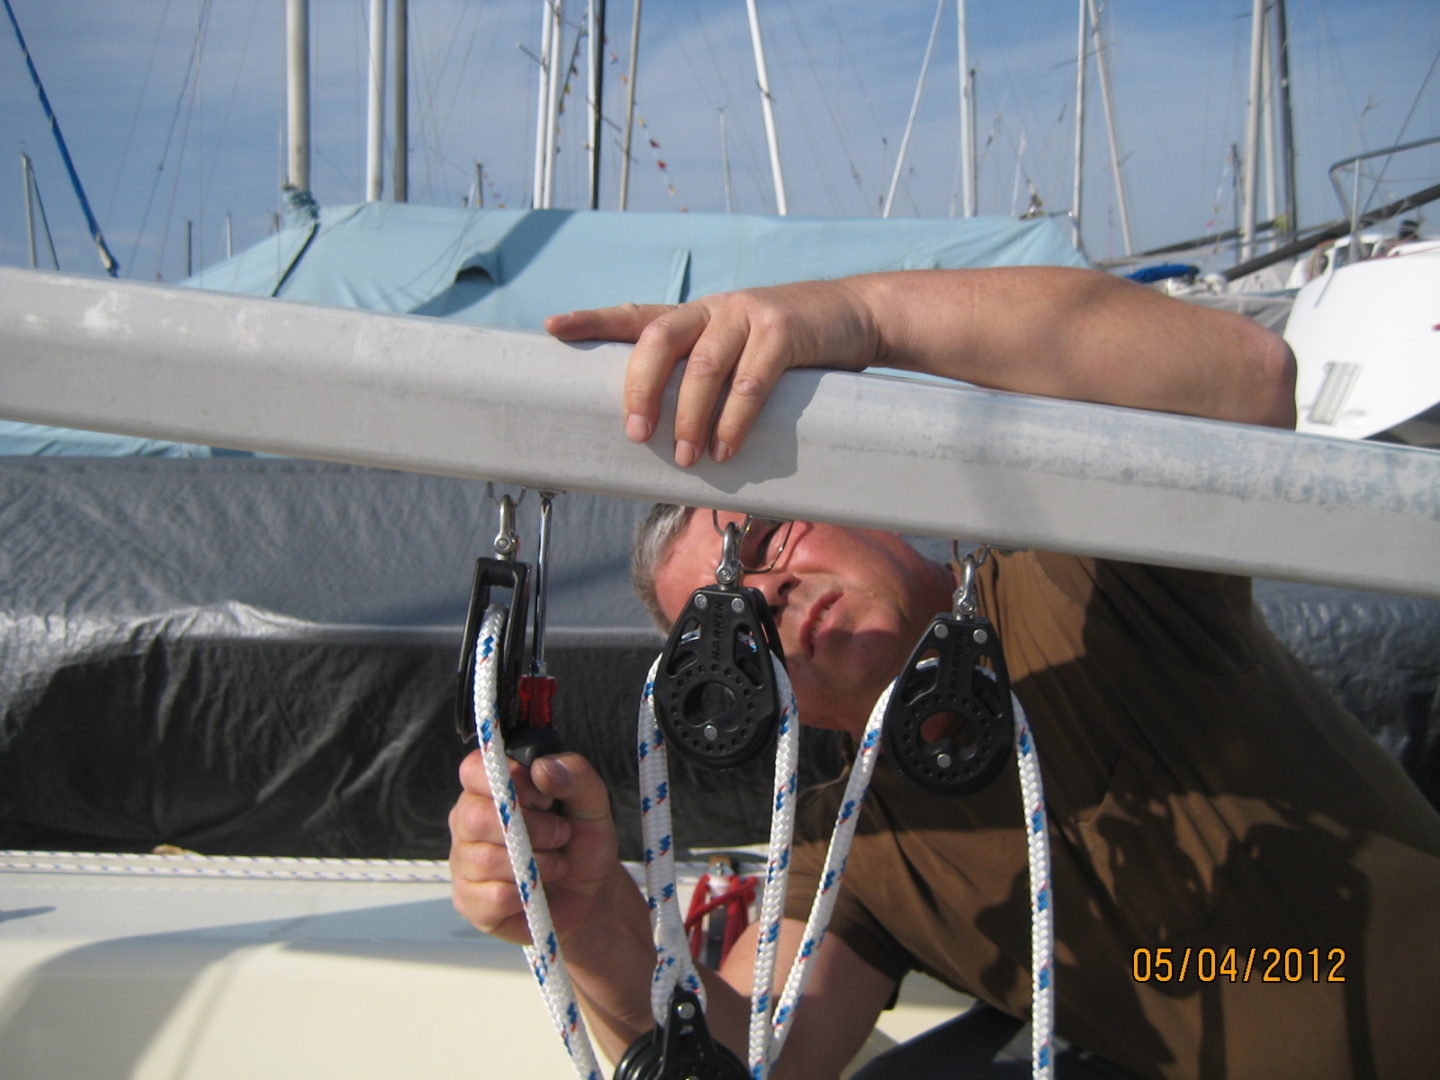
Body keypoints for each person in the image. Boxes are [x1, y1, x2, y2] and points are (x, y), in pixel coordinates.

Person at [449, 267, 1440, 1079]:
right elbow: (755, 1059)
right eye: (727, 629)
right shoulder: (852, 845)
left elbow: (1239, 375)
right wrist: (588, 921)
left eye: (766, 540)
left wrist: (856, 317)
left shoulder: (1086, 571)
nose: (767, 596)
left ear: (869, 505)